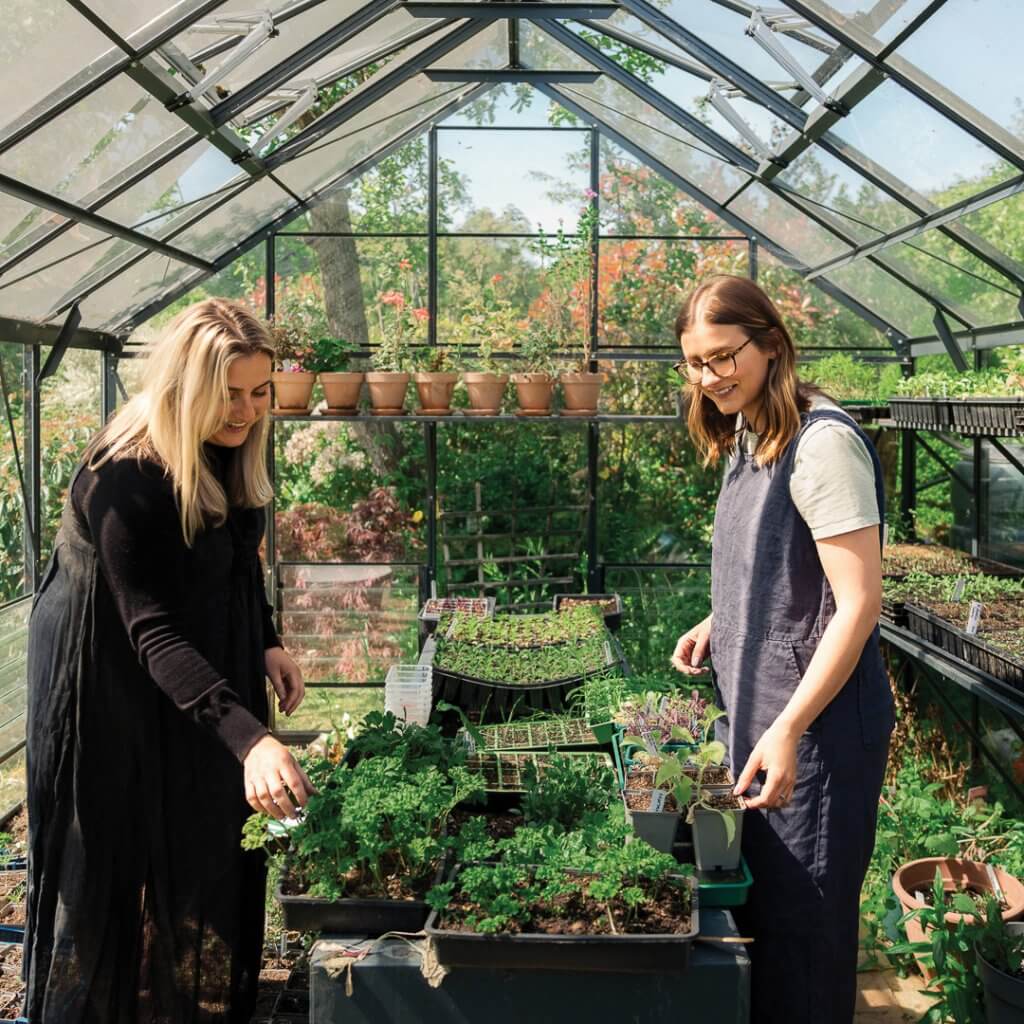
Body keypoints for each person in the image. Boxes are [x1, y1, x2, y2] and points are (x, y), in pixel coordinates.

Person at [24, 299, 315, 1023]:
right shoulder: (127, 475)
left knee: (201, 821)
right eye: (230, 393)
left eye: (260, 392)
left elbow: (240, 556)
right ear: (185, 385)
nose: (247, 410)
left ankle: (182, 1001)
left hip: (187, 642)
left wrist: (267, 639)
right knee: (119, 842)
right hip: (105, 667)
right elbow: (149, 630)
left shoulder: (232, 442)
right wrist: (250, 738)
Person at [671, 276, 894, 1023]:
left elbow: (858, 602)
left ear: (771, 343)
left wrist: (791, 728)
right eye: (696, 363)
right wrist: (720, 617)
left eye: (724, 357)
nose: (710, 378)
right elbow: (779, 563)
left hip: (817, 731)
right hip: (763, 713)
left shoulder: (822, 444)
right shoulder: (750, 429)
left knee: (805, 933)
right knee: (768, 922)